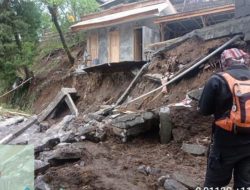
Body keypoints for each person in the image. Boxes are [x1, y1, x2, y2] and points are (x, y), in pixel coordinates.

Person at [199, 48, 250, 189]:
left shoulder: (217, 80)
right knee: (245, 184)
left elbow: (204, 110)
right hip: (249, 145)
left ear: (224, 62)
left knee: (214, 184)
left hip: (224, 144)